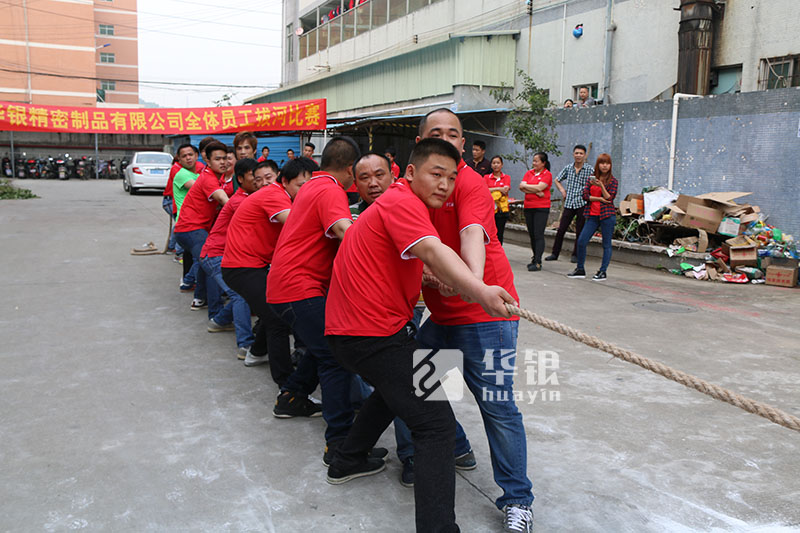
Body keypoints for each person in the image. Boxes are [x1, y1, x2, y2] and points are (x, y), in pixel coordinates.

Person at [325, 138, 516, 533]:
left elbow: (417, 263)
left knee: (393, 392)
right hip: (370, 336)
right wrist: (479, 290)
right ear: (410, 172)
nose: (444, 185)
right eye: (435, 174)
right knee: (436, 425)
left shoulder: (395, 205)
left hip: (360, 333)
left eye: (450, 177)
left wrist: (450, 283)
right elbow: (432, 251)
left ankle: (347, 459)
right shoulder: (403, 202)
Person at [415, 109, 534, 533]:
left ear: (463, 145)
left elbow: (471, 236)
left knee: (497, 408)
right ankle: (456, 447)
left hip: (487, 316)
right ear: (421, 144)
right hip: (442, 314)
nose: (446, 139)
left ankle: (517, 498)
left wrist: (473, 284)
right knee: (426, 391)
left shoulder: (470, 184)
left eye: (454, 134)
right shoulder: (413, 189)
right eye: (436, 133)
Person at [267, 137, 367, 460]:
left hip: (286, 284)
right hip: (299, 287)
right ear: (350, 170)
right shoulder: (330, 190)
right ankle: (340, 444)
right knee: (336, 355)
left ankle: (292, 397)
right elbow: (341, 230)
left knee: (320, 344)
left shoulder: (311, 186)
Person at [223, 159, 317, 374]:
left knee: (274, 307)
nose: (305, 192)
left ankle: (256, 352)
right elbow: (297, 225)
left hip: (251, 264)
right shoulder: (275, 194)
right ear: (284, 181)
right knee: (278, 319)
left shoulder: (281, 195)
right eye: (301, 186)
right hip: (242, 267)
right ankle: (286, 385)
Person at [199, 158, 263, 358]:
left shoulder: (251, 197)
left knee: (243, 293)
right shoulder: (240, 202)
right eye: (255, 176)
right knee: (239, 295)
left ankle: (218, 321)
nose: (259, 180)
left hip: (226, 255)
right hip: (216, 254)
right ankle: (246, 345)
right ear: (241, 179)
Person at [173, 141, 230, 311]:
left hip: (192, 229)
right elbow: (222, 199)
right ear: (208, 161)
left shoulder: (210, 176)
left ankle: (199, 297)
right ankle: (216, 313)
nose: (223, 162)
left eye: (225, 158)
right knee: (213, 264)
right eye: (217, 159)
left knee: (205, 264)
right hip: (190, 229)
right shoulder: (208, 178)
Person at [569, 153, 618, 281]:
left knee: (606, 244)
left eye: (607, 163)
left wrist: (601, 186)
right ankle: (580, 269)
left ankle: (603, 271)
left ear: (610, 165)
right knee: (581, 241)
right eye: (602, 163)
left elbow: (609, 198)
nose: (604, 166)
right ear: (598, 165)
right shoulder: (591, 180)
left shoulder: (613, 181)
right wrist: (599, 198)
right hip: (592, 215)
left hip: (607, 216)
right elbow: (585, 195)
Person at [545, 144, 594, 263]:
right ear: (573, 154)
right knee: (561, 229)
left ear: (584, 155)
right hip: (569, 202)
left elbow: (594, 183)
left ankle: (576, 254)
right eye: (576, 153)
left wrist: (588, 194)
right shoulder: (568, 168)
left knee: (579, 230)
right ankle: (555, 253)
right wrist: (562, 190)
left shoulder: (589, 169)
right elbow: (557, 179)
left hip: (582, 202)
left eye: (581, 153)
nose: (578, 155)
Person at [172, 144, 203, 292]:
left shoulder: (198, 174)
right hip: (186, 223)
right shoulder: (182, 174)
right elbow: (200, 189)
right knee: (202, 257)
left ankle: (188, 282)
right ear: (179, 159)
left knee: (191, 256)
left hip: (195, 222)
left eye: (191, 154)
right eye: (184, 156)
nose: (188, 158)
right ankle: (189, 282)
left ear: (197, 155)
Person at [520, 153, 552, 272]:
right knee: (532, 234)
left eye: (536, 161)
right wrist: (535, 189)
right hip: (529, 206)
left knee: (538, 234)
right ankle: (534, 257)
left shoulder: (547, 174)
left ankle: (538, 261)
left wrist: (528, 188)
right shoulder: (529, 173)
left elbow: (540, 187)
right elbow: (521, 186)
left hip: (541, 208)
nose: (534, 163)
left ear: (543, 163)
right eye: (533, 161)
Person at [486, 155, 511, 245]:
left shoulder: (506, 177)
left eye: (498, 163)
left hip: (501, 210)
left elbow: (505, 190)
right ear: (491, 165)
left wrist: (492, 189)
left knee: (499, 233)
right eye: (494, 163)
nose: (496, 165)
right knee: (489, 233)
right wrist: (499, 188)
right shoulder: (486, 177)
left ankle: (499, 254)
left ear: (502, 165)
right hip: (489, 210)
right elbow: (484, 190)